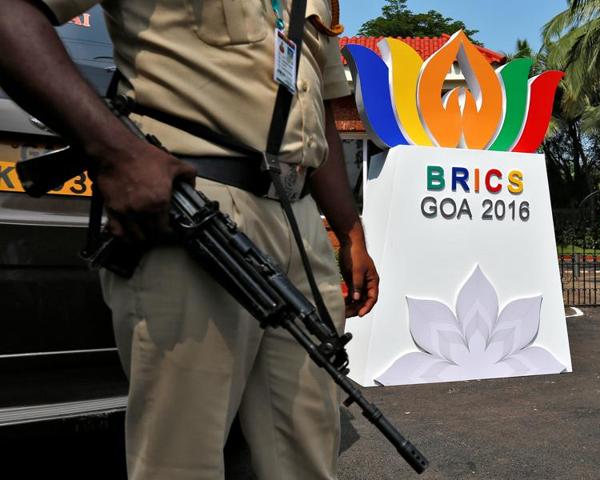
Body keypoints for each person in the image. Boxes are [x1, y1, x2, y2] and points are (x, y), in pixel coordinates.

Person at [0, 1, 379, 479]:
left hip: (299, 217)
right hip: (197, 209)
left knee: (308, 452)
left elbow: (317, 105)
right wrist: (113, 152)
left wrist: (349, 230)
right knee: (180, 460)